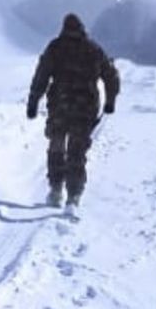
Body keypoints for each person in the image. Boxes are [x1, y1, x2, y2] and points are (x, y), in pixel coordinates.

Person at [27, 13, 120, 208]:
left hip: (59, 107)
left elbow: (41, 76)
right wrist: (110, 101)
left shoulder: (55, 48)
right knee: (77, 151)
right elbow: (111, 76)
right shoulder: (93, 49)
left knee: (56, 147)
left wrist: (33, 101)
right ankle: (74, 195)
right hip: (85, 109)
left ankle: (56, 190)